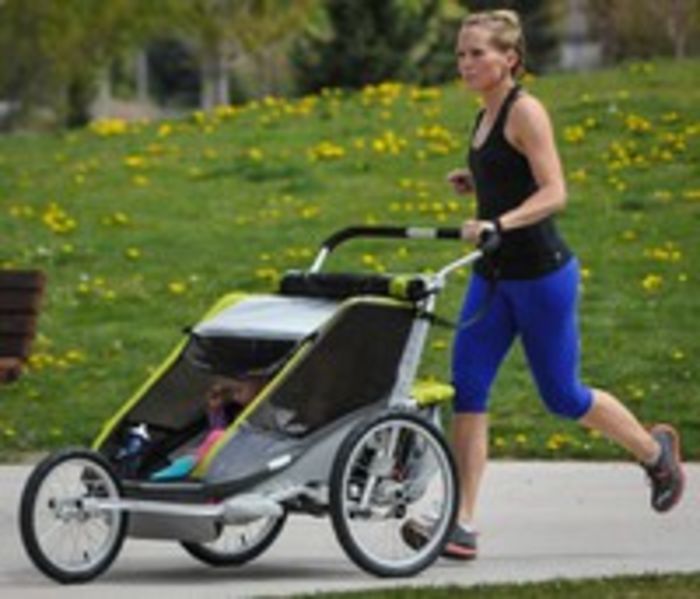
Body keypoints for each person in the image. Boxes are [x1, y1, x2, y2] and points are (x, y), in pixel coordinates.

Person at [404, 9, 685, 560]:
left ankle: (655, 453)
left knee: (563, 397)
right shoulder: (484, 114)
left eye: (477, 53)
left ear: (510, 58)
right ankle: (459, 523)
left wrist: (498, 223)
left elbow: (555, 192)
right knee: (469, 388)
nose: (465, 63)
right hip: (494, 275)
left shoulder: (524, 110)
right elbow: (514, 176)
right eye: (461, 54)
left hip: (540, 276)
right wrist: (479, 183)